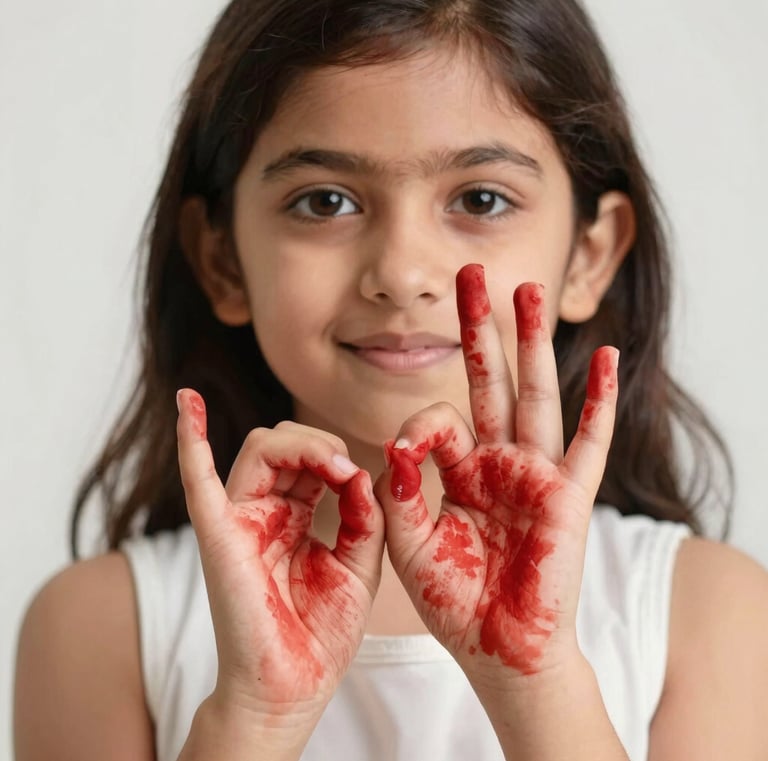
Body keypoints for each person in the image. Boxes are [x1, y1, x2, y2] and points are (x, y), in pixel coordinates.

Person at [13, 0, 768, 759]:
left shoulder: (706, 614)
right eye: (325, 201)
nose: (402, 275)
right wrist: (255, 713)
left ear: (590, 256)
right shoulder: (99, 626)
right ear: (222, 260)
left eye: (481, 199)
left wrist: (537, 683)